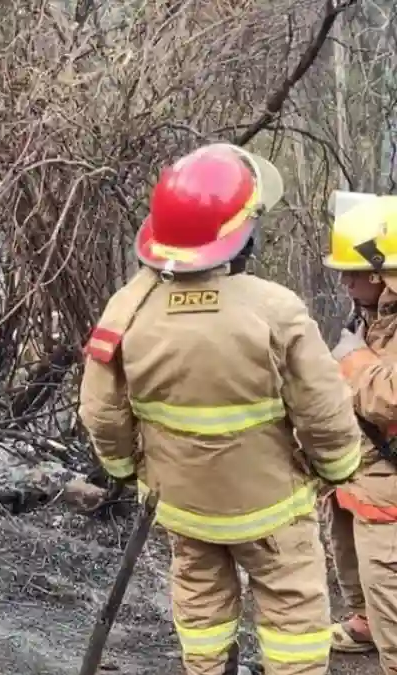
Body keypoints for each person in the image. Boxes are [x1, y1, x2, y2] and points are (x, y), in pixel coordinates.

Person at [79, 143, 362, 675]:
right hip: (272, 509)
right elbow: (323, 410)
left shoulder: (127, 308)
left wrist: (127, 470)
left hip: (183, 506)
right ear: (242, 234)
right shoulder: (274, 309)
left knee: (200, 602)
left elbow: (100, 411)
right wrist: (338, 469)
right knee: (293, 614)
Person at [321, 190, 397, 670]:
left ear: (384, 274)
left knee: (388, 577)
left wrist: (352, 362)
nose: (346, 282)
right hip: (363, 468)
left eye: (354, 272)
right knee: (353, 553)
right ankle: (364, 621)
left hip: (389, 481)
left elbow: (390, 397)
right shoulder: (374, 317)